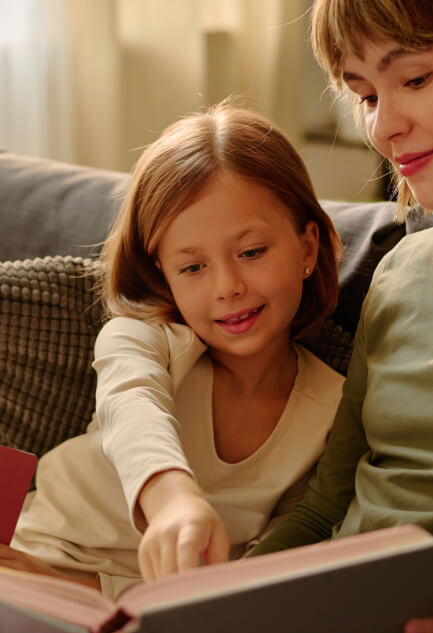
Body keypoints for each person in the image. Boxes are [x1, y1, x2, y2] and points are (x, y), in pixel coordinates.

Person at [0, 102, 344, 600]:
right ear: (162, 274)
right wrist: (173, 500)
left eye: (251, 253)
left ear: (308, 249)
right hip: (36, 555)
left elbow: (268, 566)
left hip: (153, 605)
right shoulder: (142, 339)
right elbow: (131, 405)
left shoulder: (333, 409)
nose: (227, 287)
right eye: (192, 268)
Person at [250, 1, 433, 633]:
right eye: (365, 94)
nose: (383, 126)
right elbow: (325, 506)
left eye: (415, 79)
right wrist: (221, 590)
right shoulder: (402, 271)